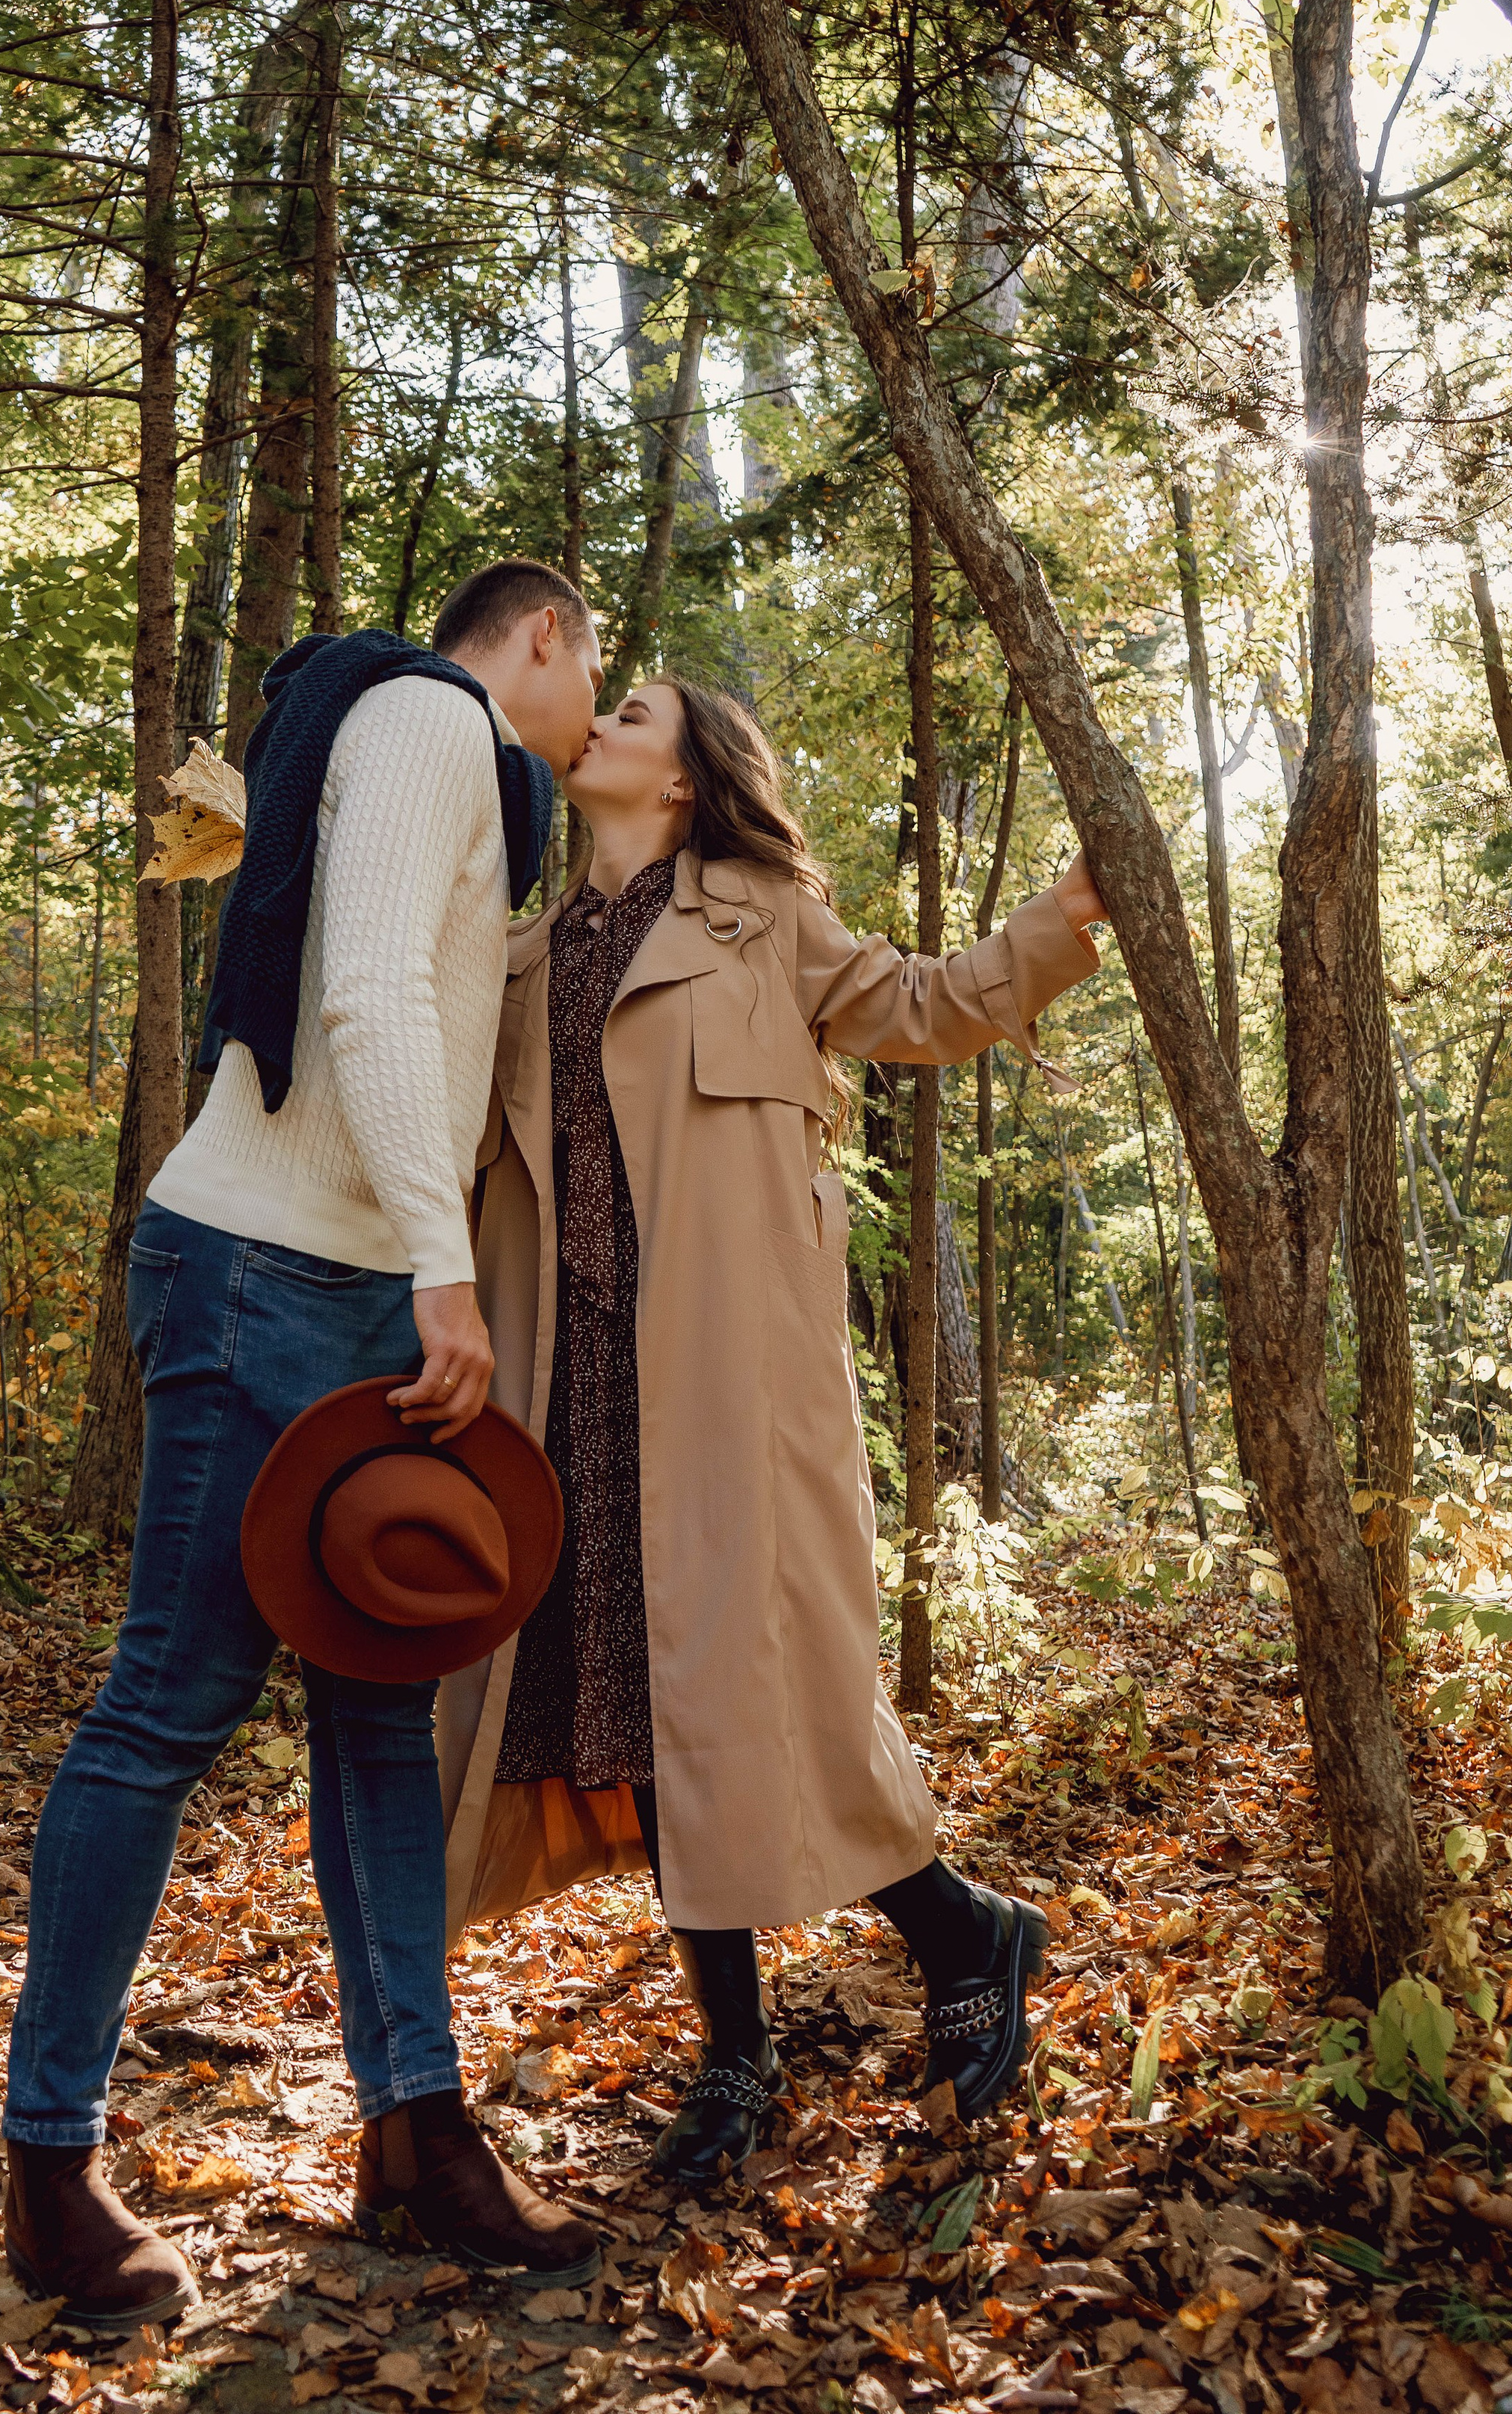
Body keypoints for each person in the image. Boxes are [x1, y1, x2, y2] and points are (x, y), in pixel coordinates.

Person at [2, 564, 608, 2328]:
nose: (586, 723)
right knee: (163, 1710)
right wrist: (442, 1268)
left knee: (374, 1725)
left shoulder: (461, 780)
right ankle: (49, 2160)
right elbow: (362, 996)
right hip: (269, 1267)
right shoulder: (432, 715)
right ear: (546, 639)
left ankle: (414, 2130)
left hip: (340, 1283)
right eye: (594, 678)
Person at [438, 677, 1109, 2184]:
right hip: (574, 1400)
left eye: (632, 709)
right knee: (651, 1719)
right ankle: (736, 2057)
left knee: (766, 1693)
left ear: (683, 778)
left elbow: (930, 1007)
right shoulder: (518, 959)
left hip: (732, 1391)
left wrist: (1067, 914)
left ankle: (959, 1927)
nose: (600, 719)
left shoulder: (760, 917)